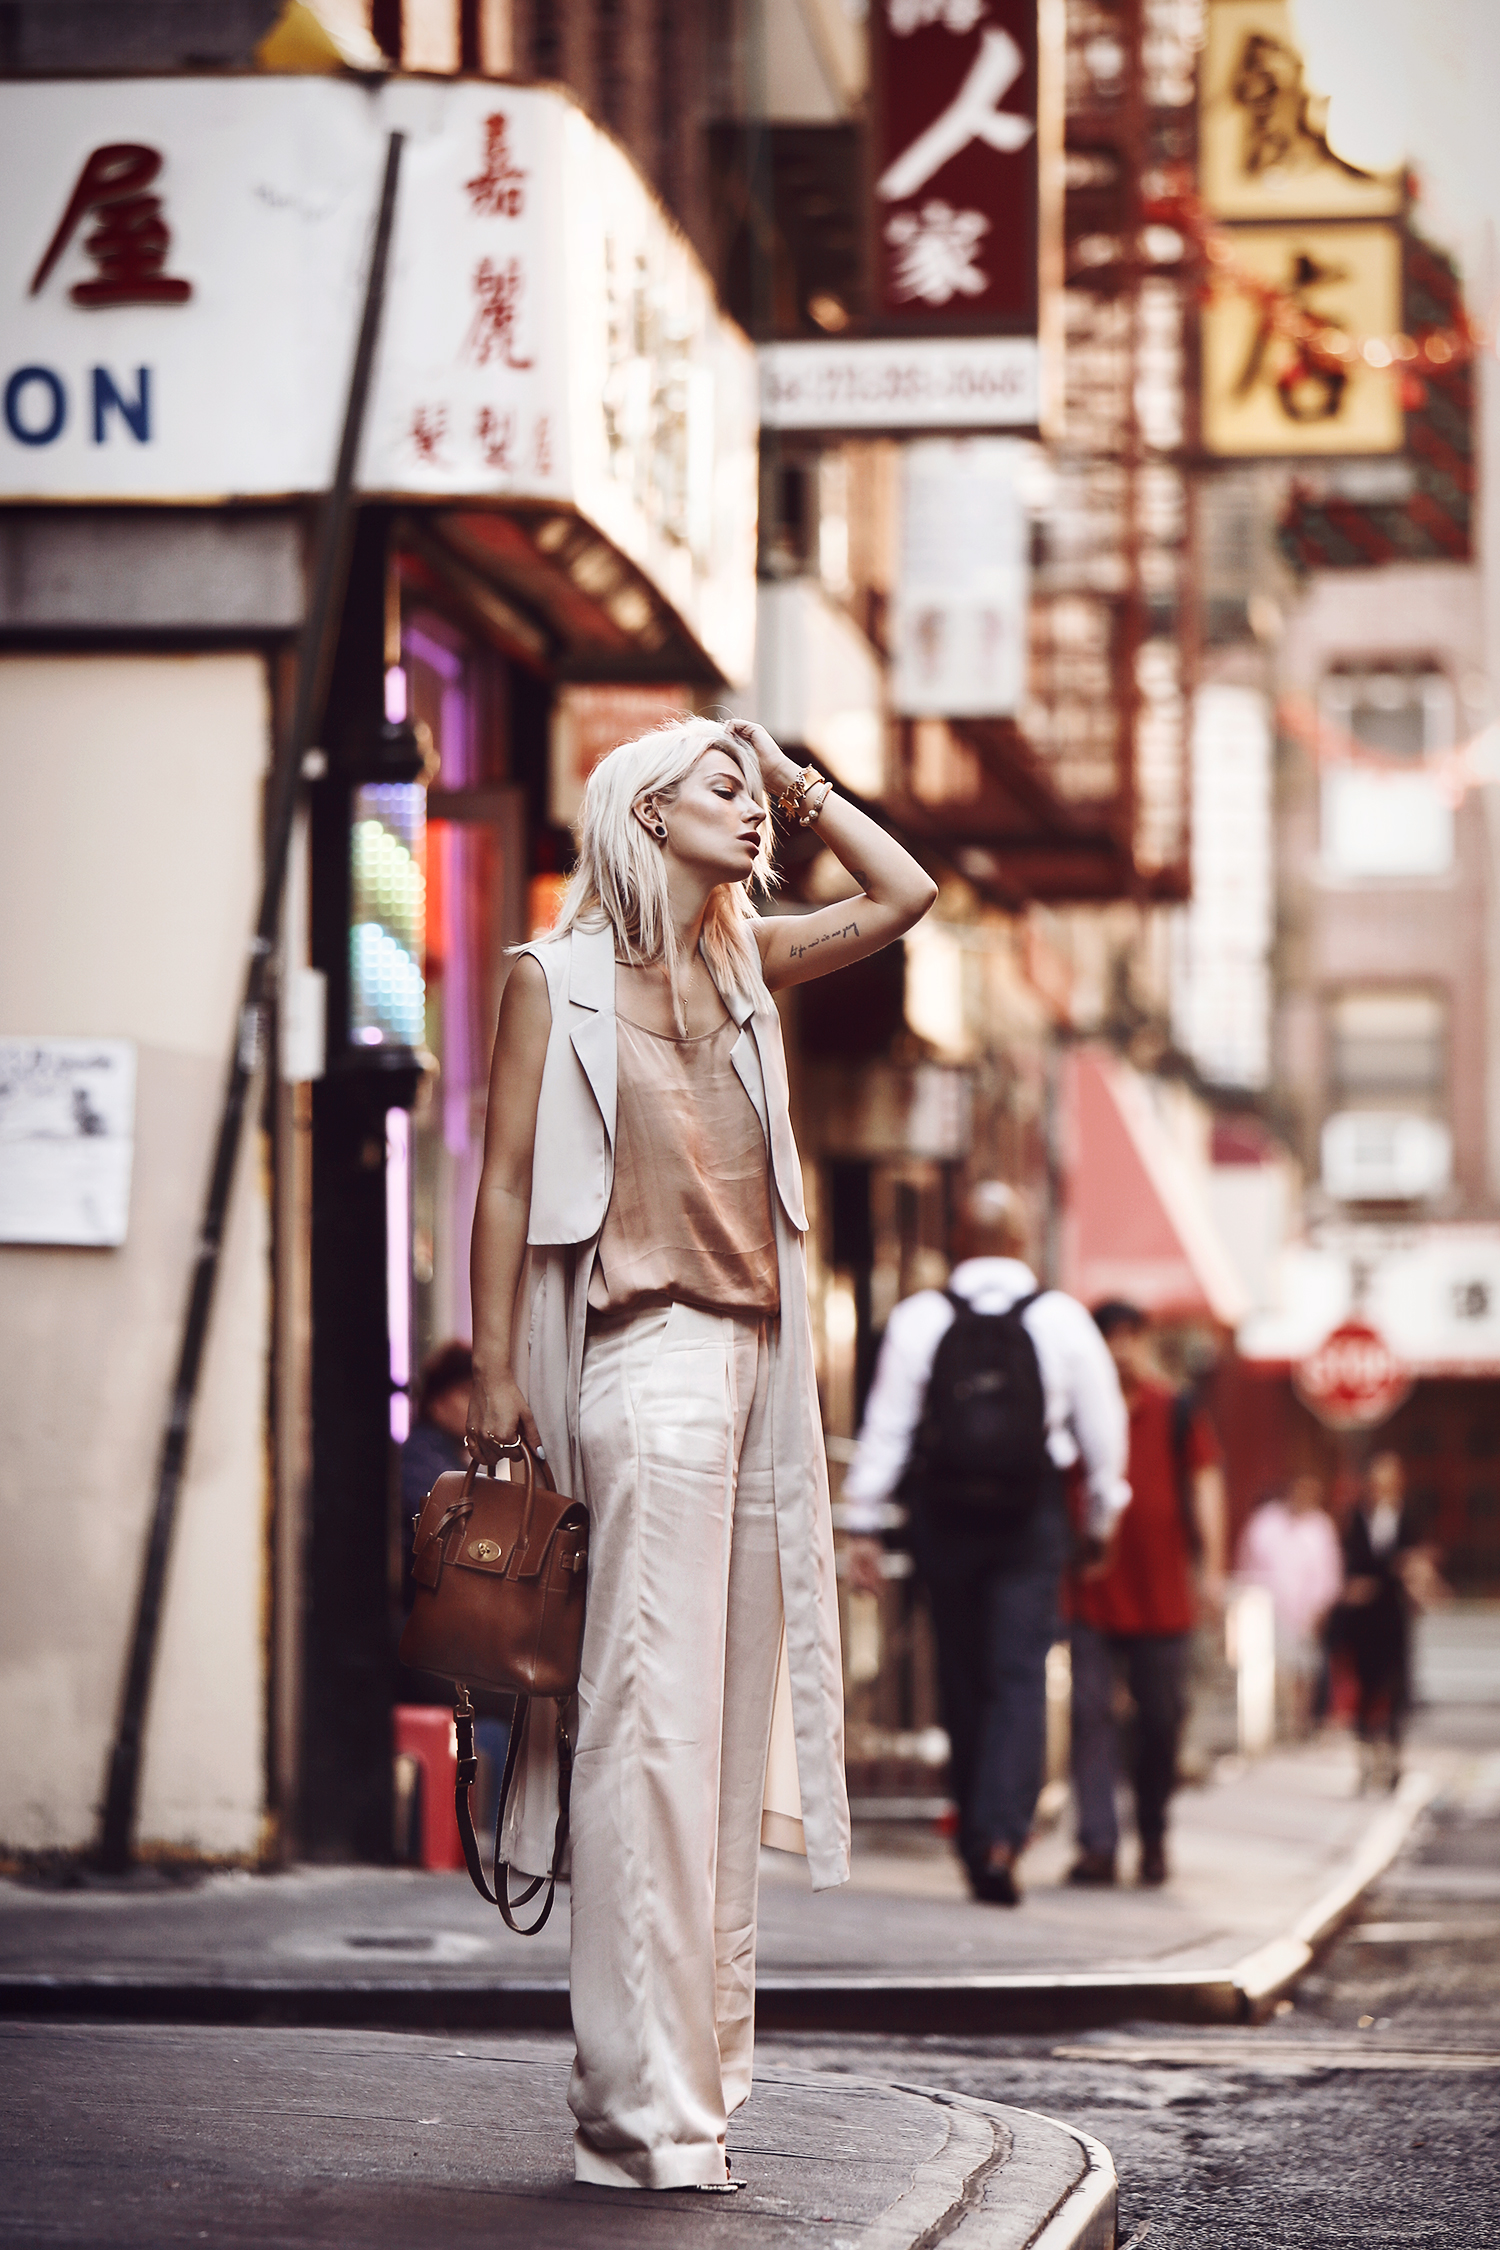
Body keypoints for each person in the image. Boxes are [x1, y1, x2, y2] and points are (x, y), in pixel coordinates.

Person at [464, 714, 935, 2190]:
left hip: (755, 1377)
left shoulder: (747, 965)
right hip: (646, 1362)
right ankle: (640, 2107)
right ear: (643, 810)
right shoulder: (557, 979)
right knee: (646, 1740)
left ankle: (694, 2084)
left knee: (717, 1747)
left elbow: (903, 893)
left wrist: (803, 781)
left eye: (756, 793)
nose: (755, 813)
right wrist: (489, 1371)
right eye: (723, 788)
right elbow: (496, 1183)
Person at [843, 1182, 1130, 1906]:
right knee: (1018, 1674)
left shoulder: (922, 1318)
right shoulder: (1060, 1319)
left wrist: (864, 1522)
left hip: (944, 1516)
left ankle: (974, 1832)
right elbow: (1104, 1433)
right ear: (1022, 1241)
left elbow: (888, 1428)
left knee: (961, 1675)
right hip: (1029, 1517)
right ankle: (1004, 1835)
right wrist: (1100, 1522)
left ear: (961, 1240)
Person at [1067, 1302, 1226, 1889]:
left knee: (1161, 1720)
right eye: (1110, 1337)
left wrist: (1212, 1569)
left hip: (1163, 1599)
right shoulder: (1077, 1412)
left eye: (1132, 1337)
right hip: (1090, 1593)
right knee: (1089, 1716)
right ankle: (1099, 1845)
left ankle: (1154, 1833)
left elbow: (1206, 1486)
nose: (1121, 1349)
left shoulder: (1178, 1411)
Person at [1331, 1449, 1437, 1791]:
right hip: (1363, 1618)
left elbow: (1417, 1560)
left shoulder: (1407, 1518)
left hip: (1394, 1615)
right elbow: (1348, 1565)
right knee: (1364, 1685)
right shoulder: (1357, 1519)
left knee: (1395, 1687)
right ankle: (1365, 1760)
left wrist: (1417, 1579)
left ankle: (1391, 1759)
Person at [1235, 1469, 1343, 1737]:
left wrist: (1321, 1609)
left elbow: (1329, 1572)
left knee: (1304, 1670)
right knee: (1272, 1671)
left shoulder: (1320, 1526)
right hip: (1267, 1611)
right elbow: (1247, 1562)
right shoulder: (1265, 1521)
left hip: (1307, 1611)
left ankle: (1300, 1724)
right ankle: (1272, 1725)